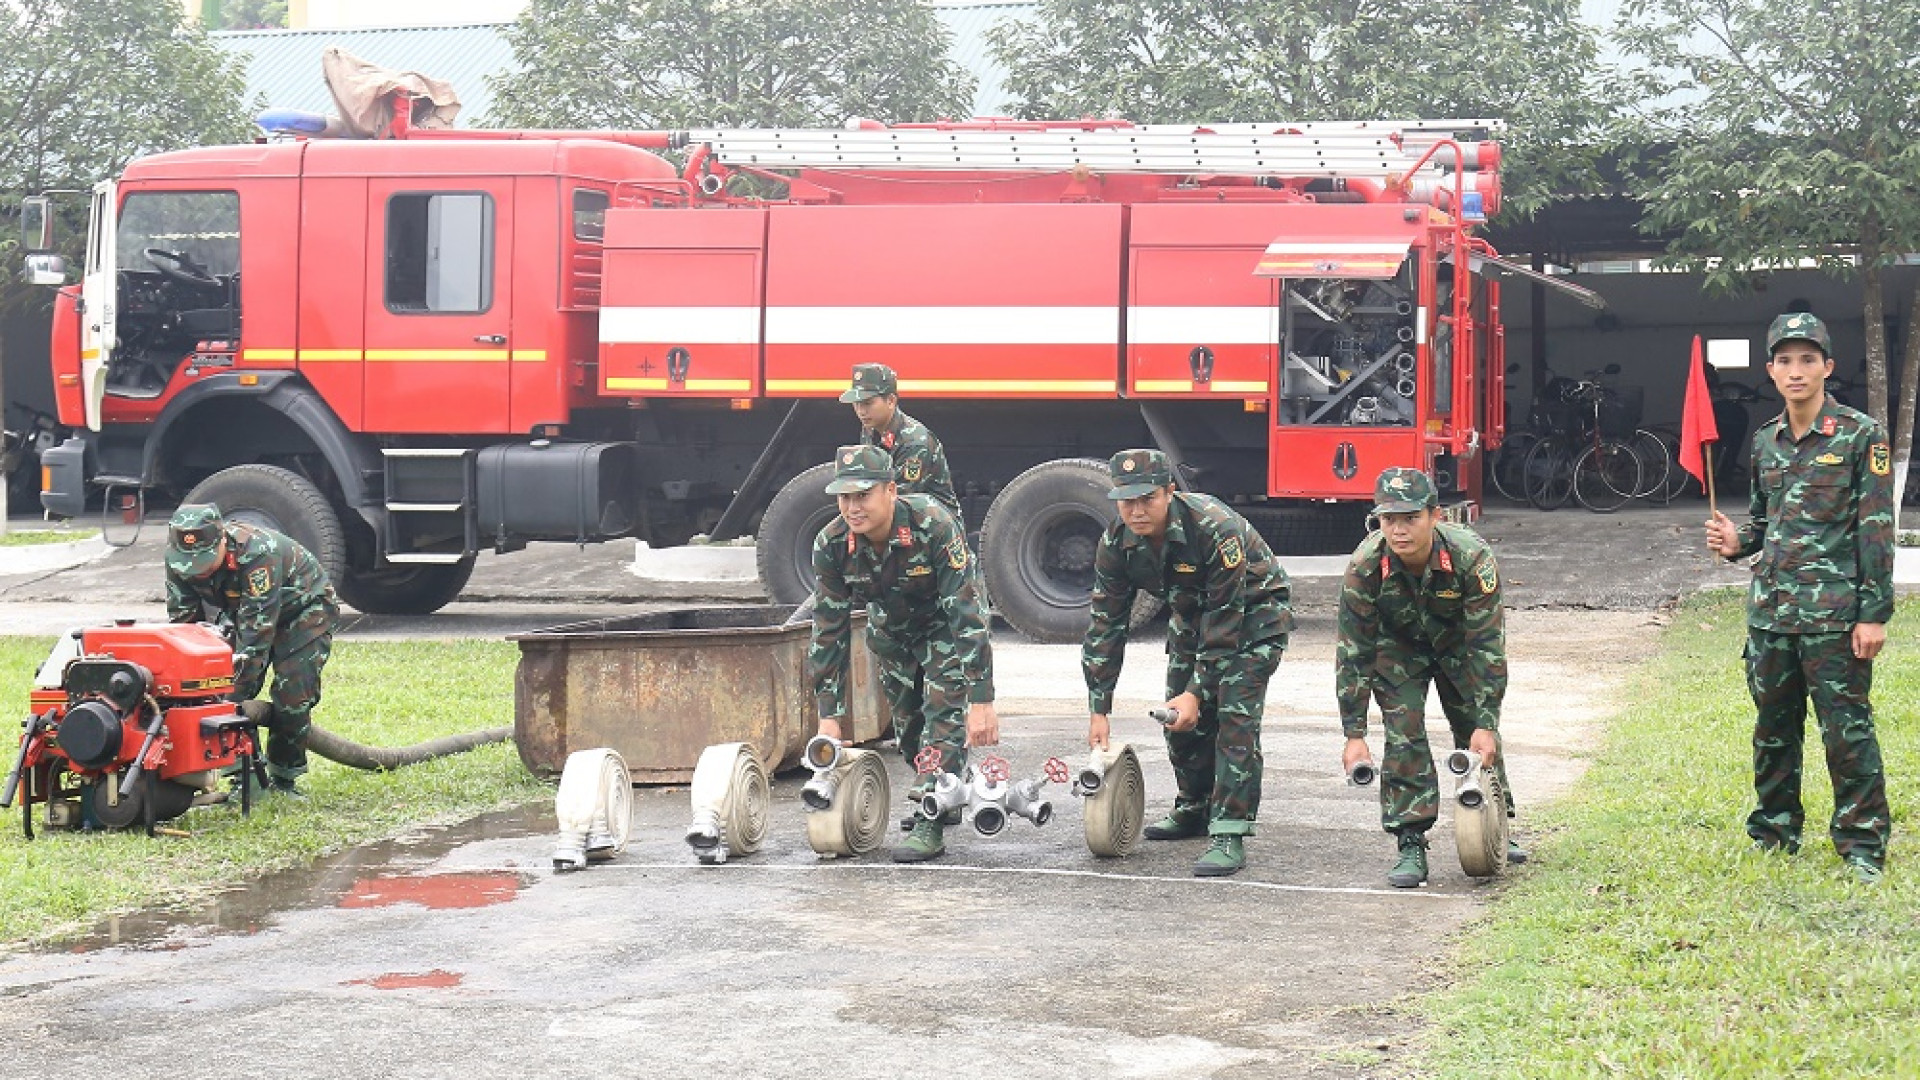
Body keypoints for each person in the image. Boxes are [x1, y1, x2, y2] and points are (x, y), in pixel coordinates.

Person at [1704, 311, 1891, 886]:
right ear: (1771, 369)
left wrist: (1872, 614)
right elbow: (1765, 523)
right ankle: (1775, 829)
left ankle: (1861, 843)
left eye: (1808, 358)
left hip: (1834, 619)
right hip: (1772, 616)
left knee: (1846, 729)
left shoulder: (1861, 436)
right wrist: (1738, 543)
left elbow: (1875, 530)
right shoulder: (1765, 441)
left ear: (1827, 367)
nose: (1796, 370)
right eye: (1785, 360)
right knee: (1774, 729)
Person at [1082, 449, 1291, 877]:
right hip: (1191, 616)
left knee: (1233, 715)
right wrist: (1099, 706)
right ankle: (1195, 806)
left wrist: (1199, 691)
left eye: (1148, 499)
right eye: (1127, 501)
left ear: (1170, 493)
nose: (1137, 511)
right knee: (1177, 716)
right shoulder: (1116, 541)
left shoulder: (1214, 527)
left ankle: (1230, 829)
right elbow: (1106, 623)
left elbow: (1226, 618)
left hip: (1252, 614)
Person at [807, 445, 999, 863]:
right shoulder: (833, 543)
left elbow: (966, 612)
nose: (852, 507)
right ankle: (944, 789)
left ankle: (930, 815)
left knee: (942, 716)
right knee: (910, 734)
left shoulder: (933, 524)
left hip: (943, 627)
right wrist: (830, 714)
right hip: (892, 636)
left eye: (863, 495)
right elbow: (829, 630)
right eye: (844, 497)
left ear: (891, 490)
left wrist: (981, 698)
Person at [1335, 468, 1522, 888]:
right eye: (1388, 520)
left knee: (1474, 730)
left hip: (1459, 643)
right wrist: (1354, 733)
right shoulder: (1364, 568)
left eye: (1410, 518)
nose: (1399, 530)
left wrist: (1486, 722)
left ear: (1435, 515)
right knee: (1404, 733)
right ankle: (1410, 839)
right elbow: (1354, 652)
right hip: (1397, 648)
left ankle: (1497, 822)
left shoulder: (1471, 557)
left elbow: (1487, 643)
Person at [164, 503, 339, 798]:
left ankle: (284, 778)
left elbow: (256, 636)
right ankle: (245, 778)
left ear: (223, 540)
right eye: (189, 562)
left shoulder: (258, 552)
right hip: (244, 613)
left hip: (303, 611)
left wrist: (232, 689)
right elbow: (186, 628)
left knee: (292, 695)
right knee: (213, 691)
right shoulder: (178, 560)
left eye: (205, 560)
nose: (198, 570)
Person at [841, 363, 963, 524]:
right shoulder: (871, 428)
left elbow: (899, 499)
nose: (861, 411)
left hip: (932, 527)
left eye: (868, 403)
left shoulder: (914, 442)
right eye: (856, 404)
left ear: (890, 400)